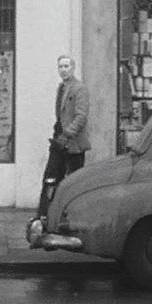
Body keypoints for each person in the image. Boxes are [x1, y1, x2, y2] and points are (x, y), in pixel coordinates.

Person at [36, 55, 90, 218]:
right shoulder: (61, 87)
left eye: (67, 66)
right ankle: (44, 213)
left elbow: (81, 116)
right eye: (61, 66)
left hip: (72, 142)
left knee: (74, 181)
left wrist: (66, 135)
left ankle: (75, 213)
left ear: (73, 68)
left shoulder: (79, 88)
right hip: (59, 138)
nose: (64, 70)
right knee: (50, 177)